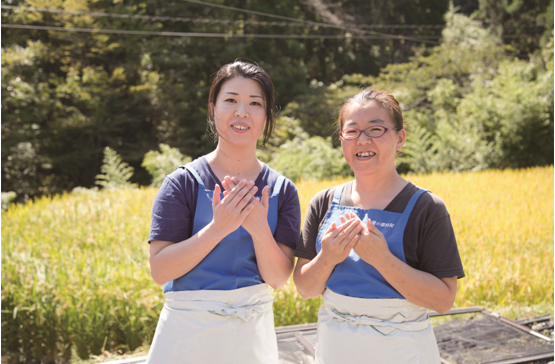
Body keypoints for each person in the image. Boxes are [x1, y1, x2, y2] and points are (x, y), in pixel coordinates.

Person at [293, 89, 465, 364]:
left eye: (375, 129)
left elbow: (443, 300)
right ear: (342, 140)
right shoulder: (323, 203)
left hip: (403, 352)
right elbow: (305, 288)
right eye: (352, 131)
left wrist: (383, 260)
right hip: (336, 349)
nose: (362, 140)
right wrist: (327, 258)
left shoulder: (426, 207)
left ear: (400, 138)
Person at [146, 61, 301, 364]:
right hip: (186, 339)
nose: (241, 112)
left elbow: (279, 279)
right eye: (230, 100)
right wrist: (218, 228)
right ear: (213, 108)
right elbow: (160, 270)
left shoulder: (282, 190)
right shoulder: (183, 183)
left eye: (255, 103)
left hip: (251, 338)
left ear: (267, 115)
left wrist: (258, 228)